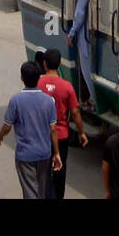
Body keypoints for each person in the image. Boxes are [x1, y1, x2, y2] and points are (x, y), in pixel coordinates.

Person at [0, 60, 61, 200]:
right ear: (39, 78)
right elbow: (53, 130)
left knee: (30, 191)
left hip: (25, 155)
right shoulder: (49, 101)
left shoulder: (16, 100)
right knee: (41, 192)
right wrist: (56, 153)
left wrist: (0, 137)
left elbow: (7, 126)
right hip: (44, 153)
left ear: (22, 78)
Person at [38, 48, 88, 200]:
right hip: (61, 135)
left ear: (44, 64)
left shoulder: (37, 82)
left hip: (42, 135)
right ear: (59, 63)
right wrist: (81, 132)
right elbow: (75, 113)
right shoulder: (67, 86)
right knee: (60, 169)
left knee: (43, 170)